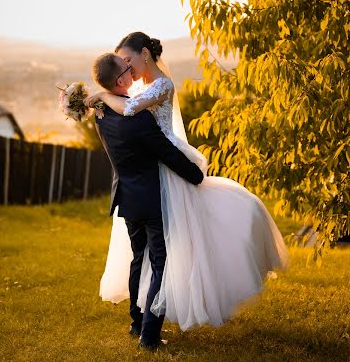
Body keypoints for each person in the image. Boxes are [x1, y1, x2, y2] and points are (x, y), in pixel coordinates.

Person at [87, 32, 289, 332]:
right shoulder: (136, 88)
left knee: (181, 243)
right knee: (155, 254)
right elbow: (131, 115)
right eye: (123, 65)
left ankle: (150, 322)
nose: (127, 69)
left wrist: (102, 95)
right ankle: (145, 324)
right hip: (153, 173)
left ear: (144, 54)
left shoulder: (161, 86)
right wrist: (106, 94)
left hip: (166, 168)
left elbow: (130, 111)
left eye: (128, 60)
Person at [91, 52, 204, 350]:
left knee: (138, 259)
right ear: (121, 80)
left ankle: (136, 322)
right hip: (150, 198)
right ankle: (150, 336)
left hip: (127, 197)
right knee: (160, 263)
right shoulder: (138, 118)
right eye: (127, 69)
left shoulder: (101, 114)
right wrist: (196, 175)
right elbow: (165, 152)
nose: (132, 71)